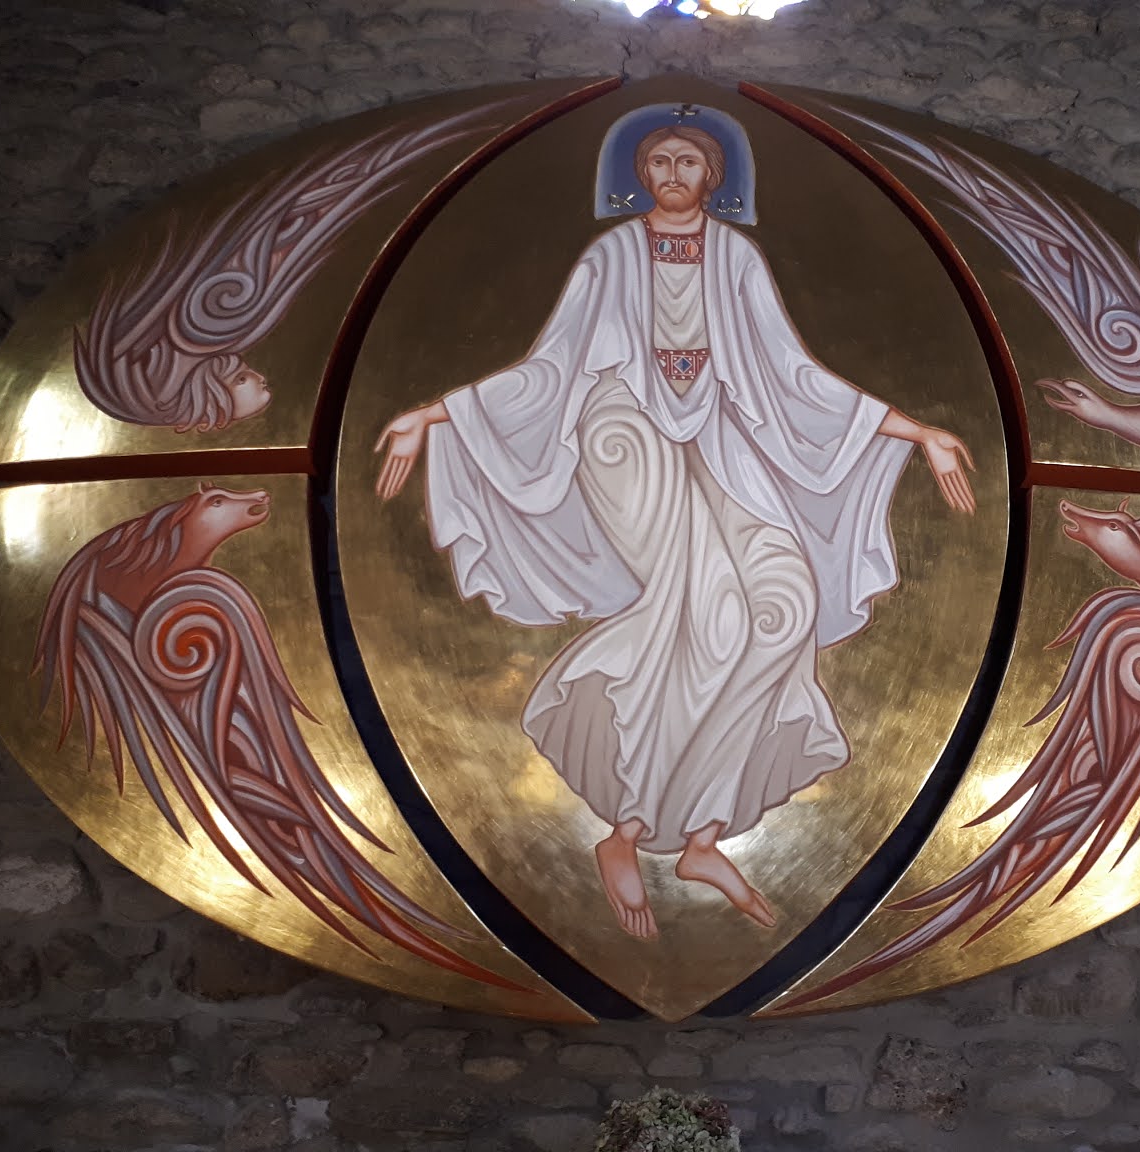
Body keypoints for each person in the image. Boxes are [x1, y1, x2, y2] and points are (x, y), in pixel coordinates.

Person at [374, 122, 975, 939]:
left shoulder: (737, 259)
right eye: (657, 160)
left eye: (688, 160)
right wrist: (432, 415)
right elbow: (552, 368)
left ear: (714, 174)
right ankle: (626, 829)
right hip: (621, 434)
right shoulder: (611, 256)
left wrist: (917, 432)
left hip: (724, 439)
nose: (671, 172)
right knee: (710, 610)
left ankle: (699, 835)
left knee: (786, 608)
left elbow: (794, 377)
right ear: (639, 172)